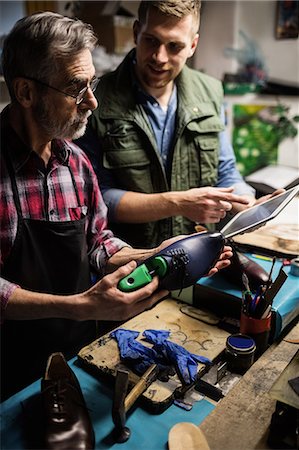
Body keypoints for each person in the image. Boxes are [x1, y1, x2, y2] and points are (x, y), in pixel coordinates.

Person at [0, 11, 232, 401]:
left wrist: (151, 254)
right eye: (76, 87)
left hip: (73, 357)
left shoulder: (75, 162)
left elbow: (96, 243)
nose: (92, 101)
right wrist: (80, 305)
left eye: (93, 83)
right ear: (25, 93)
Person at [76, 0, 281, 248]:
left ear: (193, 45)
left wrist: (247, 203)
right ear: (136, 32)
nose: (160, 57)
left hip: (199, 251)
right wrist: (179, 203)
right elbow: (97, 198)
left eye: (174, 46)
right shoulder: (96, 100)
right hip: (130, 259)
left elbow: (225, 172)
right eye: (151, 40)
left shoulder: (210, 91)